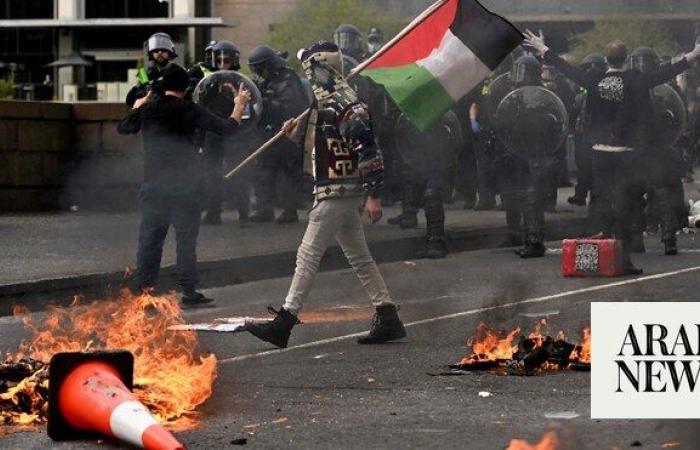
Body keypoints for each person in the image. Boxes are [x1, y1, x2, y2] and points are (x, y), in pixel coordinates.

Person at [245, 41, 406, 348]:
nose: (308, 75)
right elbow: (322, 150)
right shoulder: (330, 104)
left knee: (307, 256)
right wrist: (296, 135)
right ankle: (388, 316)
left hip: (337, 192)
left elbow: (369, 150)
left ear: (321, 69)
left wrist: (374, 195)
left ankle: (284, 322)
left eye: (310, 68)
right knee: (360, 257)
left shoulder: (347, 105)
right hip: (337, 190)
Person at [524, 30, 700, 273]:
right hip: (625, 154)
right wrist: (693, 54)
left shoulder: (594, 80)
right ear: (626, 59)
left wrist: (544, 50)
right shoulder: (636, 80)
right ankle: (623, 261)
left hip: (600, 154)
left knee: (602, 204)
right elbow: (666, 72)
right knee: (626, 206)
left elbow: (568, 69)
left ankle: (593, 260)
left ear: (606, 60)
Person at [117, 63, 251, 306]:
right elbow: (228, 129)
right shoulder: (190, 109)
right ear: (186, 87)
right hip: (185, 188)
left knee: (150, 241)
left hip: (154, 186)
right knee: (186, 240)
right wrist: (239, 104)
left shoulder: (149, 109)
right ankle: (189, 291)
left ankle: (143, 294)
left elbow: (123, 127)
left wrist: (137, 107)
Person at [247, 44, 309, 224]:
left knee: (288, 173)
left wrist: (268, 101)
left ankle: (290, 211)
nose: (258, 71)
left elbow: (293, 106)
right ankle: (264, 209)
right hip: (267, 131)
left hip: (286, 133)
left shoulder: (288, 78)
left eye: (260, 67)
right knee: (263, 171)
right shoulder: (265, 80)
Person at [200, 40, 244, 225]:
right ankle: (213, 212)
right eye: (219, 59)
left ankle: (244, 212)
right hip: (213, 131)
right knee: (212, 173)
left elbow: (247, 104)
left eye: (226, 59)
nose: (223, 62)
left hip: (234, 130)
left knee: (240, 170)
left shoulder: (239, 80)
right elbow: (200, 102)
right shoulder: (209, 80)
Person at [126, 32, 176, 108]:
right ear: (151, 53)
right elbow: (130, 100)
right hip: (149, 113)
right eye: (156, 50)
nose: (160, 52)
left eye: (163, 50)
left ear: (169, 53)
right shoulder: (146, 74)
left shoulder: (177, 72)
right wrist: (143, 95)